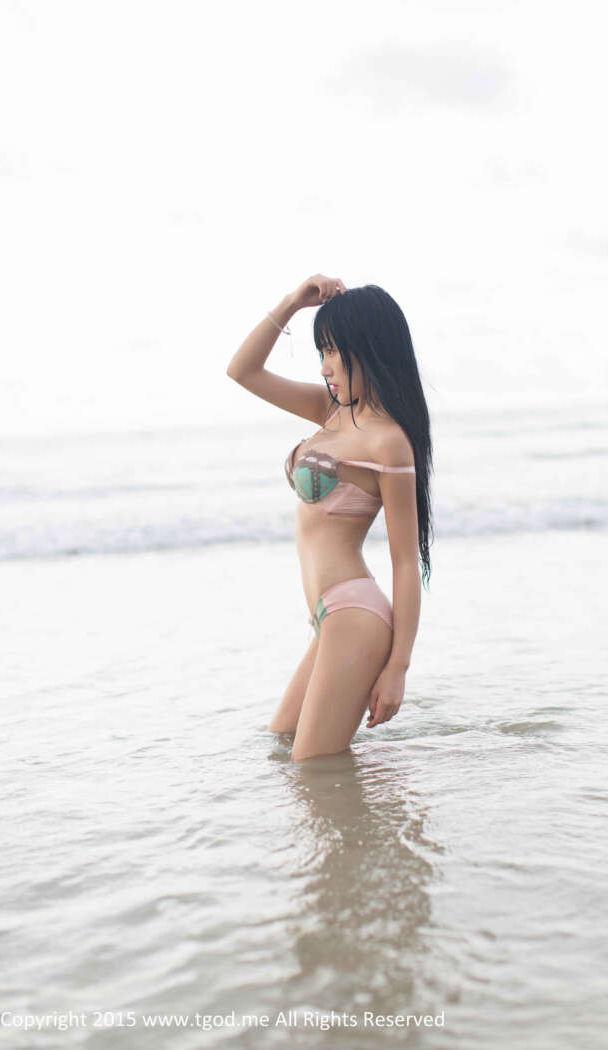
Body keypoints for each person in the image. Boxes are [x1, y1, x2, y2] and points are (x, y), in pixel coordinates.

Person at [226, 274, 433, 761]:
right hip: (327, 619)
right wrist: (293, 302)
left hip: (354, 616)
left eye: (335, 351)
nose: (325, 367)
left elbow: (405, 561)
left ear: (371, 348)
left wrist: (398, 668)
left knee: (312, 769)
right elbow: (243, 371)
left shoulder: (388, 442)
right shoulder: (331, 411)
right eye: (322, 352)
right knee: (281, 749)